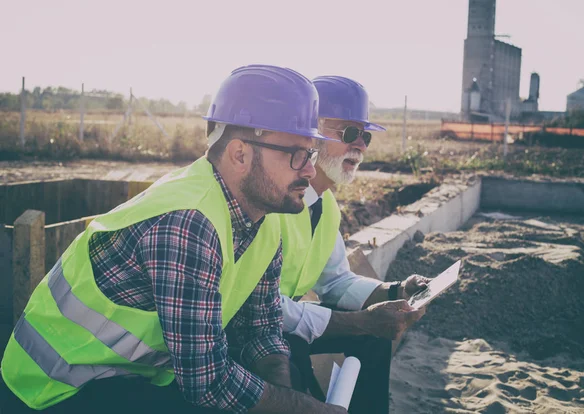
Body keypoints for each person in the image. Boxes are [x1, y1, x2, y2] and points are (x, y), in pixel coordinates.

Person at [0, 65, 346, 414]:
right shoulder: (189, 223)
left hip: (128, 379)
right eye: (297, 155)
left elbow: (262, 330)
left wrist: (285, 392)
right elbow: (208, 383)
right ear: (240, 154)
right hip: (55, 389)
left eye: (312, 154)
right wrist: (302, 408)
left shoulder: (265, 220)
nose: (310, 171)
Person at [278, 76, 430, 414]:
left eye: (365, 136)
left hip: (286, 320)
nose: (359, 146)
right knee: (293, 359)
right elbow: (260, 307)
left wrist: (395, 291)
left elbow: (335, 282)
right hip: (259, 330)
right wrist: (358, 321)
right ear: (309, 132)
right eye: (348, 133)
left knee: (373, 337)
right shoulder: (274, 200)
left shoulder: (326, 206)